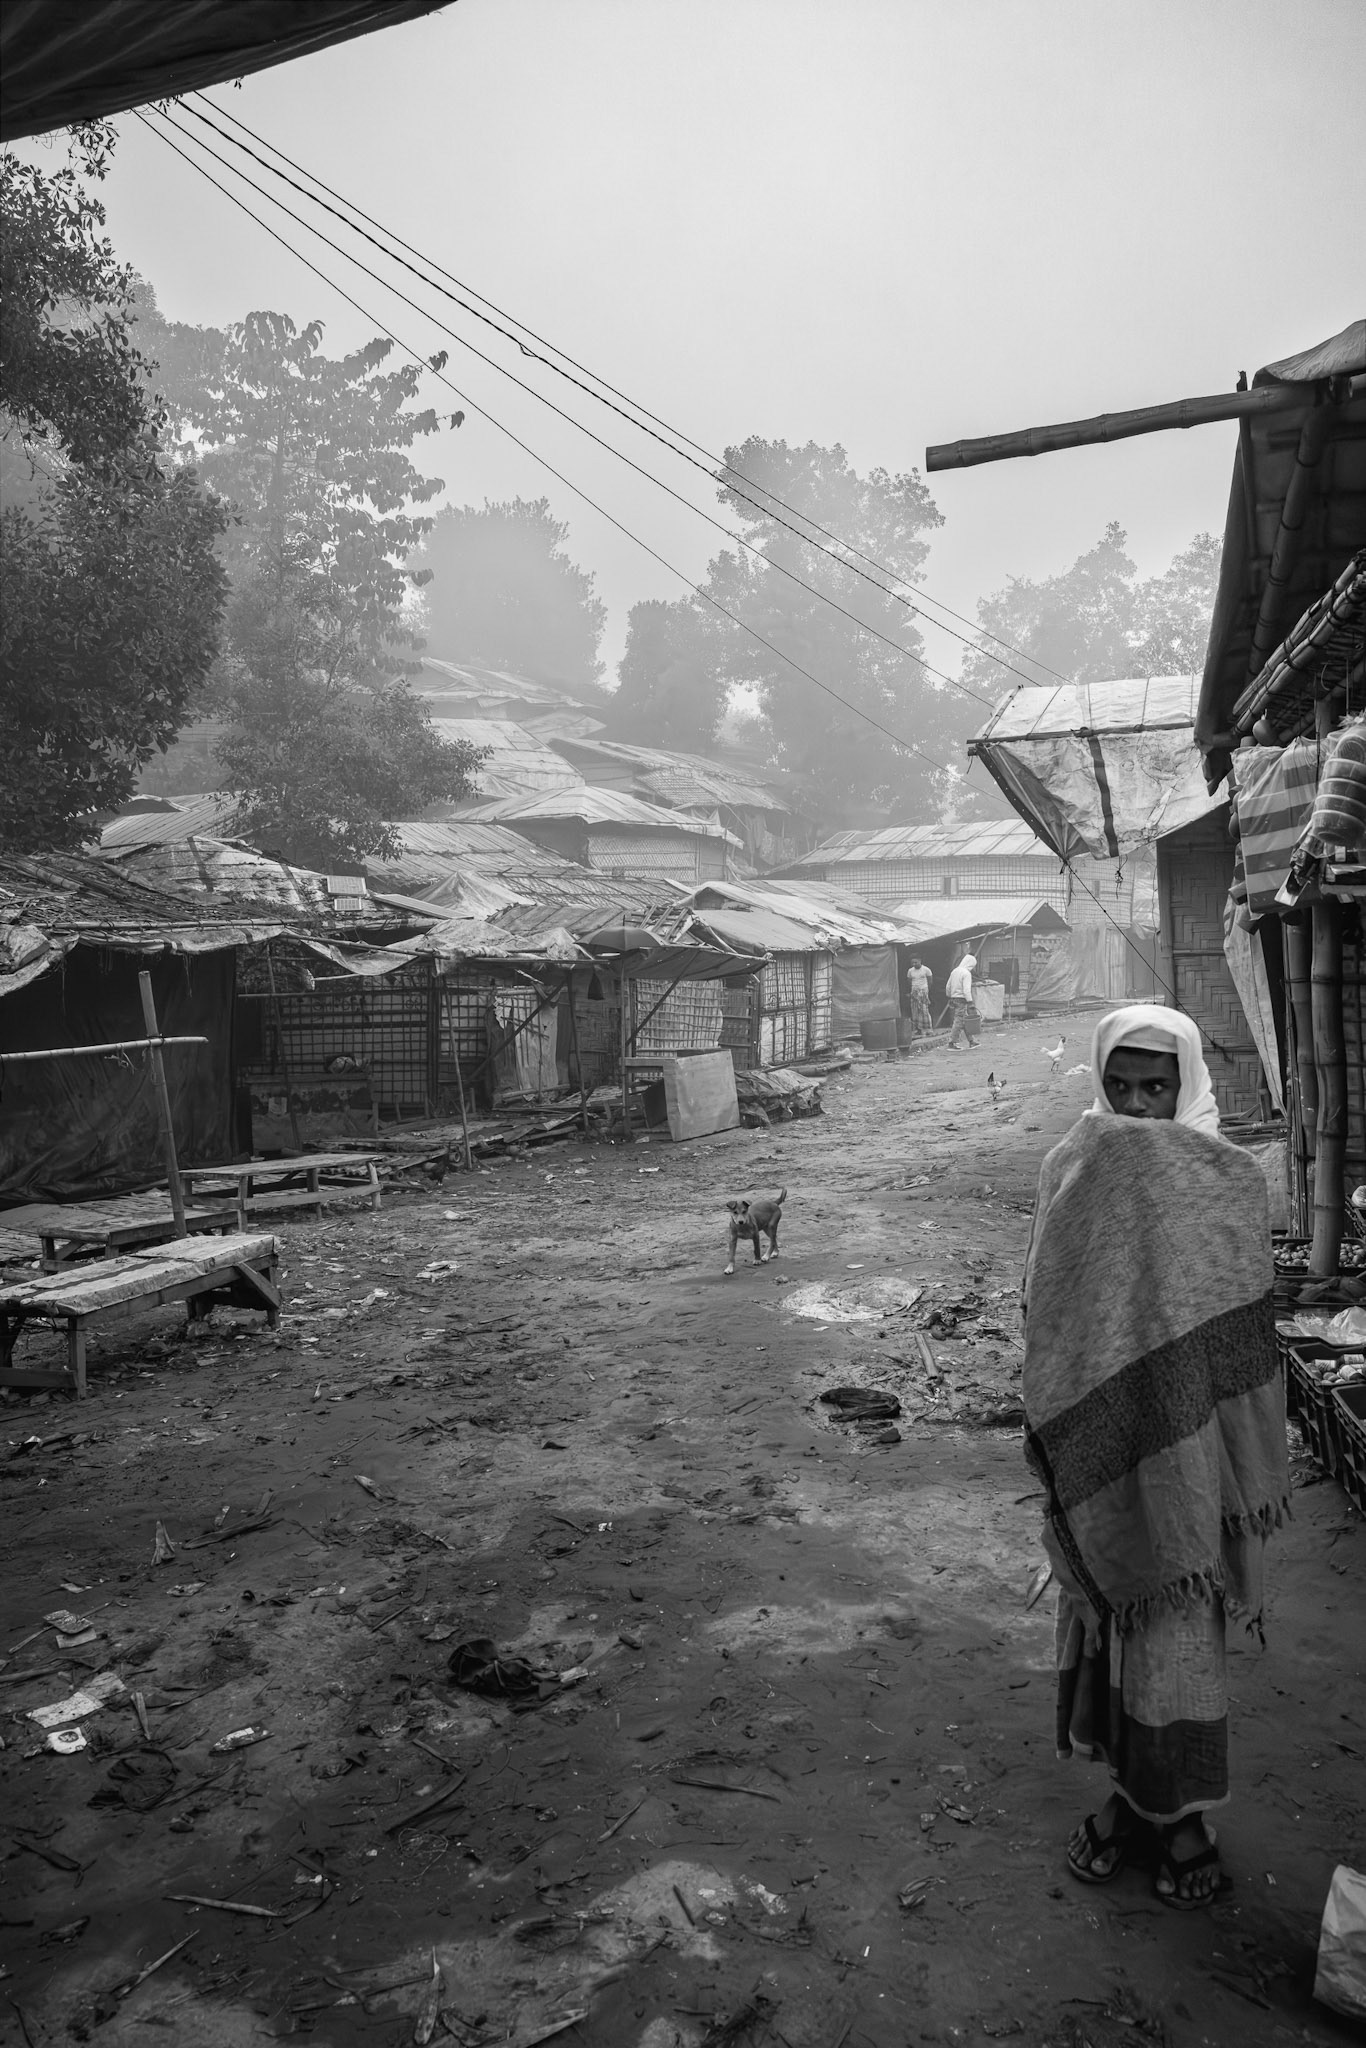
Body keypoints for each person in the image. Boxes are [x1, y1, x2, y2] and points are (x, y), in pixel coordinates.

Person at [1022, 1006, 1288, 1909]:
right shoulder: (1069, 1168)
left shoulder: (1228, 1183)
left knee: (1175, 1637)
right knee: (1108, 1626)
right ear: (1101, 1082)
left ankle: (1180, 1818)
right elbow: (1046, 1310)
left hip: (1188, 1464)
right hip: (1103, 1452)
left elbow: (1240, 1325)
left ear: (1187, 1087)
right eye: (1121, 1086)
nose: (1136, 1107)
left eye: (1157, 1086)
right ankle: (1125, 1802)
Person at [945, 952, 978, 1049]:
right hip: (962, 999)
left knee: (964, 1020)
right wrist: (970, 1001)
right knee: (959, 1021)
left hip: (954, 998)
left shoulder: (954, 971)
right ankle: (952, 1042)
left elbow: (948, 986)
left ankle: (971, 1041)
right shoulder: (966, 973)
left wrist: (950, 996)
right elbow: (966, 990)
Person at [905, 955, 933, 1036]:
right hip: (914, 993)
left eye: (916, 962)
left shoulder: (926, 970)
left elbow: (930, 981)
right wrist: (913, 991)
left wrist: (925, 991)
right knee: (915, 1012)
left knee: (924, 1011)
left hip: (923, 992)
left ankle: (928, 1029)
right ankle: (918, 1029)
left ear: (920, 961)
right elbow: (909, 981)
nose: (914, 964)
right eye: (912, 963)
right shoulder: (910, 971)